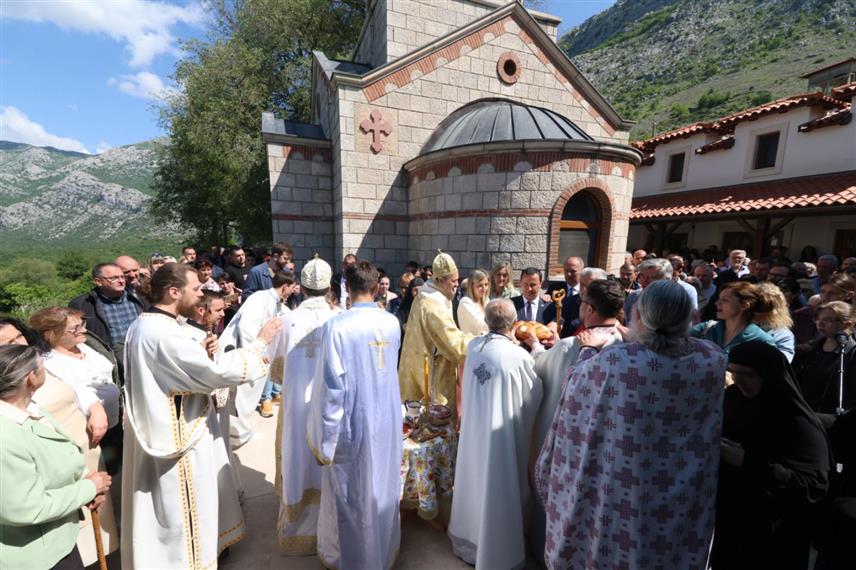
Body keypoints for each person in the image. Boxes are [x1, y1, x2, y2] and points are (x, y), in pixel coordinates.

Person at [536, 280, 725, 569]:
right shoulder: (711, 359)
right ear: (689, 317)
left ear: (639, 316)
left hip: (625, 490)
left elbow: (575, 382)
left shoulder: (616, 361)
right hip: (682, 491)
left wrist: (589, 349)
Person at [121, 263, 281, 569]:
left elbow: (181, 372)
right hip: (178, 438)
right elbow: (216, 374)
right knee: (182, 513)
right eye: (195, 289)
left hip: (175, 425)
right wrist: (260, 343)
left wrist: (201, 354)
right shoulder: (162, 333)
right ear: (173, 292)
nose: (199, 295)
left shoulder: (152, 324)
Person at [307, 261, 402, 569]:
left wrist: (327, 441)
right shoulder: (390, 323)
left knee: (353, 493)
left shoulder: (338, 326)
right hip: (386, 421)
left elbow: (332, 390)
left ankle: (358, 559)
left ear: (346, 286)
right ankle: (382, 553)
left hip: (353, 424)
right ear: (376, 288)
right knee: (381, 486)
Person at [2, 318, 119, 566]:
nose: (20, 345)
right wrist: (87, 488)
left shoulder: (30, 405)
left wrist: (85, 480)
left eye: (18, 337)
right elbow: (26, 507)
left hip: (62, 529)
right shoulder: (6, 433)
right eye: (9, 343)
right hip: (37, 554)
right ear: (29, 378)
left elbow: (63, 446)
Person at [712, 341, 833, 569]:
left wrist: (747, 461)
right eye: (733, 372)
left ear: (767, 374)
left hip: (775, 535)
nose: (738, 380)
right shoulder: (734, 399)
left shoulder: (797, 422)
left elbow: (814, 486)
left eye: (747, 374)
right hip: (733, 524)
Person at [448, 299, 543, 569]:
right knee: (497, 490)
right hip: (499, 442)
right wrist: (535, 350)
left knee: (473, 484)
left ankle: (469, 543)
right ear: (513, 324)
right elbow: (535, 395)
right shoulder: (518, 356)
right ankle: (498, 554)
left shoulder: (474, 347)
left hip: (474, 435)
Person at [267, 256, 336, 555]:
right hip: (329, 410)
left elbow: (277, 372)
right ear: (329, 288)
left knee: (297, 459)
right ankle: (331, 530)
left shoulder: (286, 321)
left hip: (296, 409)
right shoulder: (341, 318)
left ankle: (299, 532)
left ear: (301, 288)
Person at [220, 270, 296, 442]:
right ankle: (236, 434)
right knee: (240, 397)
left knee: (250, 396)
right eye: (292, 288)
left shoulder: (276, 302)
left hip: (257, 356)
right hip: (244, 354)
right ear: (285, 287)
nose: (293, 291)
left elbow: (283, 316)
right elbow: (246, 328)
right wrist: (257, 353)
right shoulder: (259, 298)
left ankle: (242, 430)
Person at [398, 251, 475, 415]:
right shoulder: (433, 306)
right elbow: (454, 344)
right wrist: (485, 342)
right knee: (435, 431)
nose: (456, 285)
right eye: (453, 281)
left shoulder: (428, 294)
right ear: (439, 280)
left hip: (417, 365)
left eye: (458, 280)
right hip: (431, 377)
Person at [30, 308, 121, 443]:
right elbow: (76, 389)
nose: (84, 330)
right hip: (93, 430)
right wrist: (96, 409)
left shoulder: (86, 345)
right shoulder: (50, 363)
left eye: (82, 324)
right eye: (75, 328)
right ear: (50, 334)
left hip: (115, 420)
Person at [69, 262, 144, 366]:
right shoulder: (82, 305)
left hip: (142, 357)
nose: (121, 281)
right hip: (109, 364)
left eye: (122, 277)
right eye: (114, 278)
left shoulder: (139, 297)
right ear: (98, 281)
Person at [793, 301, 856, 414]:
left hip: (836, 421)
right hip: (808, 416)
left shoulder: (852, 354)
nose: (820, 324)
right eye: (818, 319)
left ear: (848, 324)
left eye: (828, 320)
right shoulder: (809, 351)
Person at [691, 281, 775, 354]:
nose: (717, 303)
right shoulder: (707, 328)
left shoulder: (762, 340)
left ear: (744, 306)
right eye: (719, 298)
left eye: (725, 300)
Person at [625, 258, 699, 326]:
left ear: (666, 279)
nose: (644, 280)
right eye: (642, 276)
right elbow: (628, 323)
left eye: (651, 277)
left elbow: (690, 323)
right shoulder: (634, 297)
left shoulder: (683, 295)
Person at [754, 282, 796, 361]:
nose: (756, 309)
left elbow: (781, 364)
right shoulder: (734, 325)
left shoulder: (783, 335)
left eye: (762, 304)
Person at [457, 269, 490, 335]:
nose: (484, 289)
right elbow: (481, 325)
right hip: (470, 343)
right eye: (480, 286)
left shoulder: (486, 300)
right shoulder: (465, 302)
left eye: (486, 284)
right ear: (471, 286)